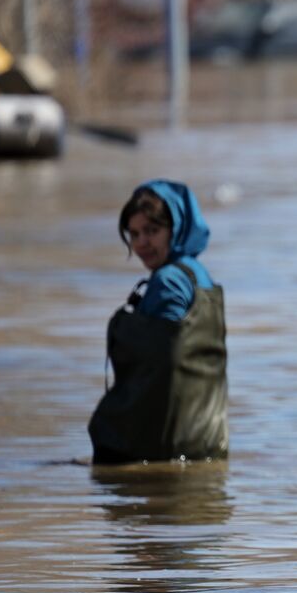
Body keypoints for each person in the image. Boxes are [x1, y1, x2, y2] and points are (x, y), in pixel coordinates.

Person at [88, 180, 227, 464]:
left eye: (152, 231)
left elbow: (161, 369)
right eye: (134, 234)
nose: (141, 244)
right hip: (207, 442)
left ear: (174, 229)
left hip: (161, 449)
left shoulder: (169, 281)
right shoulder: (199, 275)